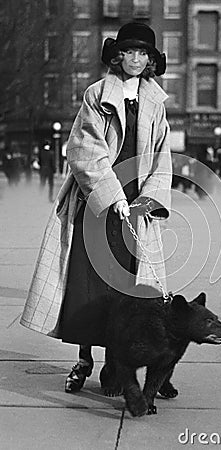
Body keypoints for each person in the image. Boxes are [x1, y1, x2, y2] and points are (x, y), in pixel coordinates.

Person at [20, 22, 173, 396]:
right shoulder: (96, 95)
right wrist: (113, 198)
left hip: (137, 206)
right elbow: (85, 150)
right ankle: (84, 358)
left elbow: (161, 158)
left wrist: (148, 198)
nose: (136, 59)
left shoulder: (157, 103)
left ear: (151, 60)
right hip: (97, 203)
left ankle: (115, 364)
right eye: (130, 52)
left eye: (144, 53)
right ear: (118, 56)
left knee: (128, 289)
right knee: (89, 286)